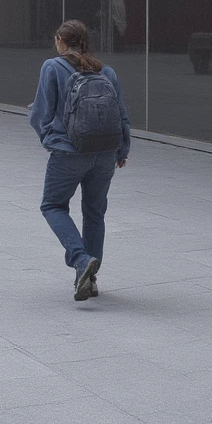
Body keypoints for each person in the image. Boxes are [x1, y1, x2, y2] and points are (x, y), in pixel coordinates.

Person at [30, 18, 130, 302]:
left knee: (52, 205)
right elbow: (121, 114)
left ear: (60, 41)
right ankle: (89, 280)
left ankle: (80, 259)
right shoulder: (105, 71)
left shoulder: (52, 67)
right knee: (95, 213)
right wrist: (122, 151)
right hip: (105, 154)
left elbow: (41, 113)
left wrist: (51, 139)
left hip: (69, 151)